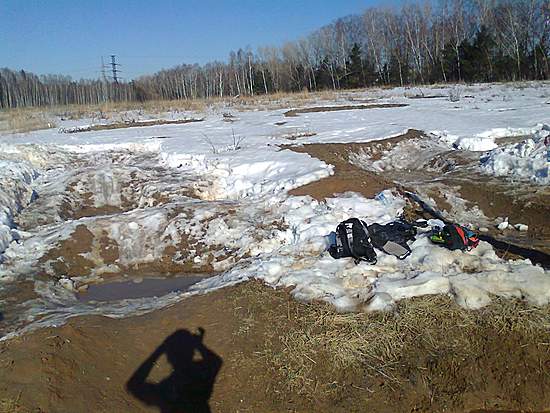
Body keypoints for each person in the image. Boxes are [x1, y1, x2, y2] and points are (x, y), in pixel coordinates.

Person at [127, 328, 222, 413]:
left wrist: (159, 350)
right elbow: (216, 361)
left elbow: (134, 385)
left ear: (168, 358)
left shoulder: (166, 388)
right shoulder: (200, 373)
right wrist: (198, 344)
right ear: (192, 352)